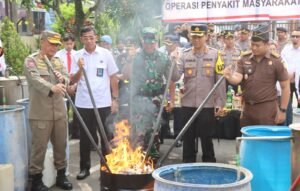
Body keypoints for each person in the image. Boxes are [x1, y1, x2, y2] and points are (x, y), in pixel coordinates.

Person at [24, 31, 72, 191]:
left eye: (56, 44)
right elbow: (35, 80)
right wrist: (52, 87)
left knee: (61, 145)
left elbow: (67, 76)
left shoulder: (58, 61)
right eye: (51, 43)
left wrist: (63, 79)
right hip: (41, 114)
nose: (54, 47)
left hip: (59, 113)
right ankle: (35, 181)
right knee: (39, 148)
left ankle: (61, 176)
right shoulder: (31, 60)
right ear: (42, 42)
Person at [123, 27, 179, 160]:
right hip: (138, 98)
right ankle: (137, 158)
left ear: (156, 42)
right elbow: (125, 75)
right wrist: (130, 59)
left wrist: (174, 61)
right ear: (142, 42)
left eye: (152, 42)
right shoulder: (135, 56)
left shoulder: (164, 57)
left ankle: (152, 159)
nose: (149, 45)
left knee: (154, 130)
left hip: (156, 99)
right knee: (138, 131)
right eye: (147, 42)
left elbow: (174, 78)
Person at [70, 26, 119, 180]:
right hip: (84, 103)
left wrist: (115, 99)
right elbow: (73, 80)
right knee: (85, 137)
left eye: (91, 37)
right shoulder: (77, 55)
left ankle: (107, 167)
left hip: (103, 102)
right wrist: (79, 68)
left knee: (106, 135)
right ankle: (84, 168)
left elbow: (113, 77)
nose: (89, 41)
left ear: (95, 37)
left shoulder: (106, 54)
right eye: (85, 38)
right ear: (81, 39)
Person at [224, 25, 290, 127]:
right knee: (248, 140)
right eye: (252, 44)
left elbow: (285, 87)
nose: (254, 48)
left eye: (257, 45)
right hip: (247, 109)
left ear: (267, 44)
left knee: (265, 140)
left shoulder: (276, 60)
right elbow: (237, 77)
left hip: (267, 109)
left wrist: (283, 110)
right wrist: (230, 77)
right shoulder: (244, 58)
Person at [177, 24, 226, 163]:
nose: (196, 40)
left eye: (199, 37)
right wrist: (173, 61)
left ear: (206, 37)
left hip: (207, 104)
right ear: (189, 37)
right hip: (188, 103)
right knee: (188, 138)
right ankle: (187, 166)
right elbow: (175, 76)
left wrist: (219, 103)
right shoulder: (184, 55)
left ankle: (209, 165)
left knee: (206, 137)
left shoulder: (215, 54)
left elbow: (220, 80)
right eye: (194, 37)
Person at [55, 33, 79, 138]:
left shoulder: (78, 54)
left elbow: (80, 71)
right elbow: (56, 71)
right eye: (67, 43)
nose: (69, 46)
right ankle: (65, 132)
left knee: (77, 109)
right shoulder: (58, 55)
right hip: (63, 85)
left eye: (71, 43)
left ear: (74, 43)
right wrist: (65, 84)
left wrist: (74, 85)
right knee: (64, 110)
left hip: (75, 85)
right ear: (63, 43)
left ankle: (76, 132)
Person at [282, 28, 300, 125]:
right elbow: (282, 61)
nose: (295, 38)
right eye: (293, 36)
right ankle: (289, 128)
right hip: (287, 81)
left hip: (299, 82)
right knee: (287, 106)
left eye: (297, 36)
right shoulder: (286, 49)